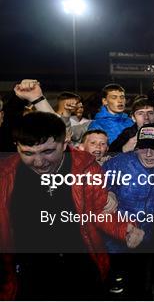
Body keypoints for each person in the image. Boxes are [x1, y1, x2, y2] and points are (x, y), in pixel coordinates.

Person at [0, 112, 144, 300]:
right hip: (28, 271)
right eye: (27, 153)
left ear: (64, 143)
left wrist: (125, 228)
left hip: (80, 263)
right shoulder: (5, 175)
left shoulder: (86, 167)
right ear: (16, 146)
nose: (39, 162)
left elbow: (99, 210)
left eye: (47, 151)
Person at [102, 123, 154, 297]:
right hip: (113, 244)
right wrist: (107, 192)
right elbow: (92, 191)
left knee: (141, 290)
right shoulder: (118, 163)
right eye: (143, 148)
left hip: (147, 243)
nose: (148, 154)